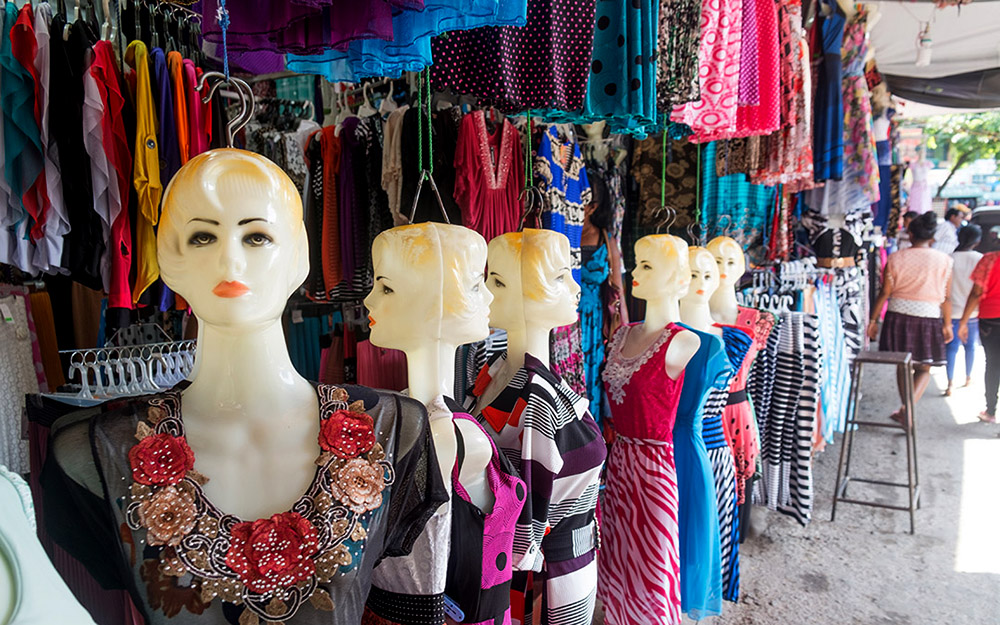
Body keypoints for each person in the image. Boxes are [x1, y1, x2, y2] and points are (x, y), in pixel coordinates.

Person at [868, 212, 954, 427]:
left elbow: (884, 292)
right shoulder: (945, 260)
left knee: (902, 364)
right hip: (929, 317)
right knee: (924, 368)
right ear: (932, 236)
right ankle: (908, 410)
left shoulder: (897, 257)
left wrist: (872, 320)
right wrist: (948, 324)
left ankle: (906, 409)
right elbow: (947, 296)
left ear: (910, 233)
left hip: (898, 316)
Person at [958, 245, 1000, 423]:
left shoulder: (990, 259)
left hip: (991, 320)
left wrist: (963, 321)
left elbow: (976, 293)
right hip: (990, 319)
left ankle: (990, 411)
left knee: (993, 365)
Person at [945, 225, 982, 395]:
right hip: (973, 312)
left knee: (951, 348)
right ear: (977, 241)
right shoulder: (981, 259)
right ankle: (968, 378)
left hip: (951, 311)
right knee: (970, 346)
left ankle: (950, 384)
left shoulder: (949, 258)